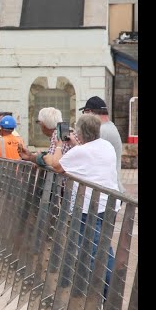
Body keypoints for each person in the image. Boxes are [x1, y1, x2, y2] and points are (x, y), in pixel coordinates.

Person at [44, 113, 120, 299]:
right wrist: (77, 143)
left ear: (80, 132)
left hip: (89, 209)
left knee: (93, 252)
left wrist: (58, 146)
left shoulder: (79, 152)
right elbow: (89, 153)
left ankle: (106, 296)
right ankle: (107, 292)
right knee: (104, 248)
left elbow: (56, 165)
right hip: (110, 206)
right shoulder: (106, 146)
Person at [81, 96, 124, 192]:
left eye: (84, 113)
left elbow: (85, 154)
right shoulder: (109, 127)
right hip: (111, 187)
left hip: (108, 190)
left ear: (89, 112)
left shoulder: (102, 130)